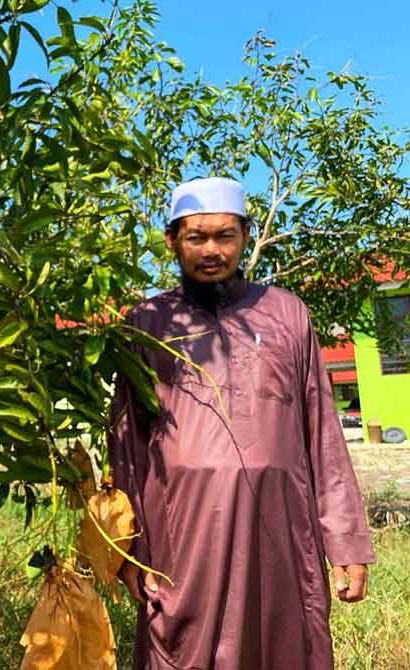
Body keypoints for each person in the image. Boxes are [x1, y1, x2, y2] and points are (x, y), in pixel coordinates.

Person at [109, 177, 375, 669]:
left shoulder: (287, 314)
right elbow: (125, 445)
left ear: (245, 236)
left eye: (225, 236)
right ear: (172, 241)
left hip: (279, 530)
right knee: (182, 648)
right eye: (196, 238)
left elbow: (322, 435)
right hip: (182, 538)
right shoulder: (145, 323)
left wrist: (346, 540)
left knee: (282, 645)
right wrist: (127, 548)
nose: (212, 250)